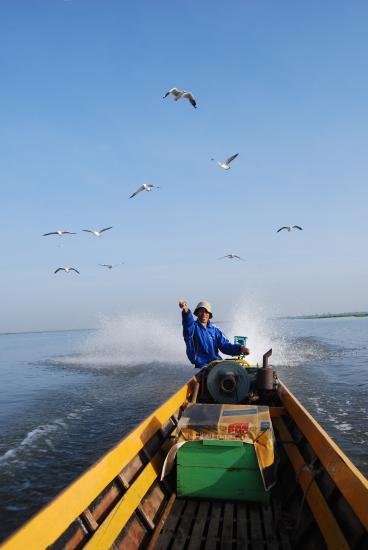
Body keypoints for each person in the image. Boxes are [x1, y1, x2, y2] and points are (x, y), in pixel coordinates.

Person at [179, 299, 250, 368]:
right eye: (201, 311)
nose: (204, 314)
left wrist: (240, 349)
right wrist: (186, 310)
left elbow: (225, 346)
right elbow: (188, 323)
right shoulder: (193, 327)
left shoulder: (215, 330)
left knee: (237, 369)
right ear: (197, 313)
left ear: (209, 315)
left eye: (206, 312)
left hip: (216, 363)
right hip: (201, 365)